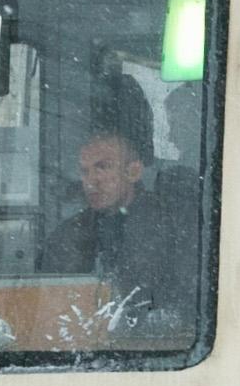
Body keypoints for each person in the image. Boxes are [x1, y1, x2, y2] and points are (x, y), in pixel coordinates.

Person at [41, 124, 187, 311]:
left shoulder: (170, 226)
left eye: (103, 167)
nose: (91, 181)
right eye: (85, 171)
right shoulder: (68, 234)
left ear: (133, 171)